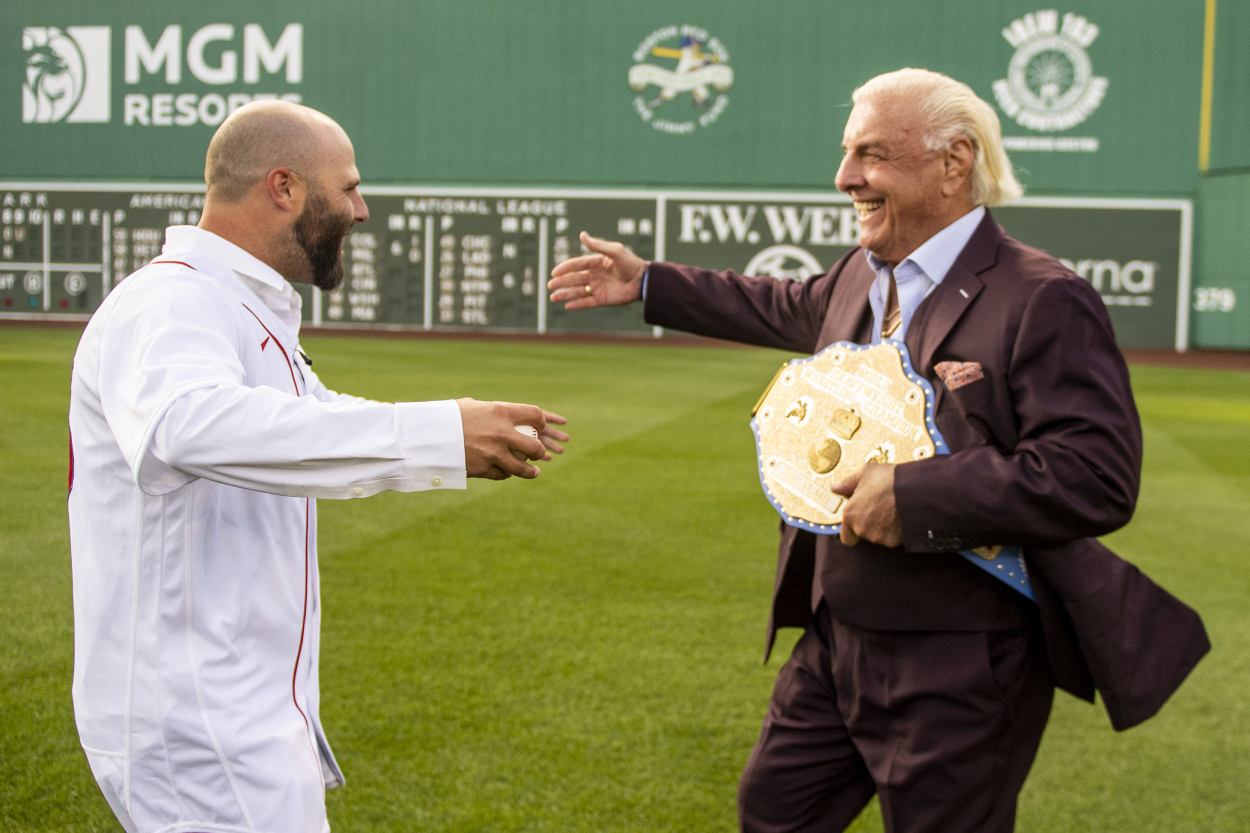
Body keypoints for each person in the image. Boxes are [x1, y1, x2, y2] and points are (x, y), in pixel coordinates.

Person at [548, 69, 1207, 832]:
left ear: (954, 163)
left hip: (963, 652)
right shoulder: (861, 274)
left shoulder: (1041, 295)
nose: (845, 177)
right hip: (838, 629)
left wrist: (915, 495)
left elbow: (1096, 476)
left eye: (872, 154)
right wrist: (651, 282)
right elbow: (781, 302)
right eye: (847, 151)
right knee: (774, 811)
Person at [68, 100, 569, 833]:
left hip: (238, 707)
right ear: (284, 187)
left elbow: (311, 412)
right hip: (196, 718)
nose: (361, 210)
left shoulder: (237, 305)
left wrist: (453, 433)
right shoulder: (173, 299)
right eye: (350, 188)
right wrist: (433, 434)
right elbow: (188, 424)